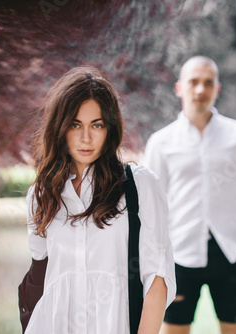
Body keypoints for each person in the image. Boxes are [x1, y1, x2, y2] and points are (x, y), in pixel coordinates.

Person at [24, 66, 176, 334]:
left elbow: (157, 279)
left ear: (110, 128)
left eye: (97, 125)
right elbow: (39, 279)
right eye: (75, 125)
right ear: (60, 128)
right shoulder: (41, 194)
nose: (86, 138)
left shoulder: (139, 186)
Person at [143, 56, 236, 334]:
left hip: (231, 255)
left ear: (218, 88)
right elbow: (150, 210)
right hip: (178, 258)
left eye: (208, 83)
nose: (200, 90)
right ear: (179, 87)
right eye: (193, 82)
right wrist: (152, 269)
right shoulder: (161, 142)